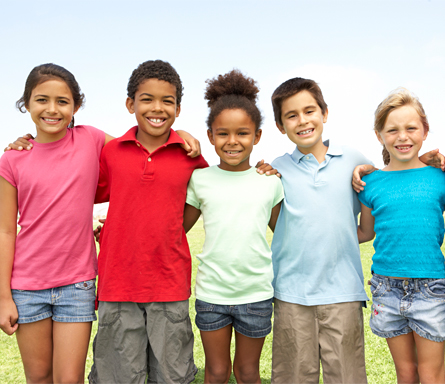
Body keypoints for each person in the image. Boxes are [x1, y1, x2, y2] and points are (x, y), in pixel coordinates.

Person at [0, 63, 111, 383]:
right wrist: (4, 296)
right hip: (26, 287)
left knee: (69, 380)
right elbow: (6, 230)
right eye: (41, 100)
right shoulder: (12, 159)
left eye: (62, 101)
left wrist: (180, 134)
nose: (52, 109)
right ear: (27, 104)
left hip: (76, 284)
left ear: (76, 105)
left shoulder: (89, 139)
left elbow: (139, 146)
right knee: (39, 378)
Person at [182, 70, 284, 384]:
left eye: (242, 133)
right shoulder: (200, 179)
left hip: (256, 294)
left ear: (257, 136)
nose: (232, 141)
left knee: (247, 371)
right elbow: (175, 229)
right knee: (216, 371)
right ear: (210, 136)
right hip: (212, 293)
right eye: (223, 133)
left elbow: (286, 237)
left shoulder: (270, 182)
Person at [269, 77, 370, 383]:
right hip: (291, 296)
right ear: (280, 126)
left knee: (347, 376)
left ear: (324, 113)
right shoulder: (276, 169)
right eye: (291, 115)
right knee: (294, 377)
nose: (303, 121)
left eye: (309, 111)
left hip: (342, 294)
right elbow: (278, 224)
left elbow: (368, 227)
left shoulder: (355, 160)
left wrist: (428, 161)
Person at [357, 88, 445, 384]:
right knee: (406, 374)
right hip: (386, 287)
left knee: (431, 376)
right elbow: (365, 232)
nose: (402, 137)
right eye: (392, 130)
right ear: (379, 135)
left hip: (431, 287)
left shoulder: (440, 177)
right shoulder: (369, 182)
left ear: (425, 131)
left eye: (411, 128)